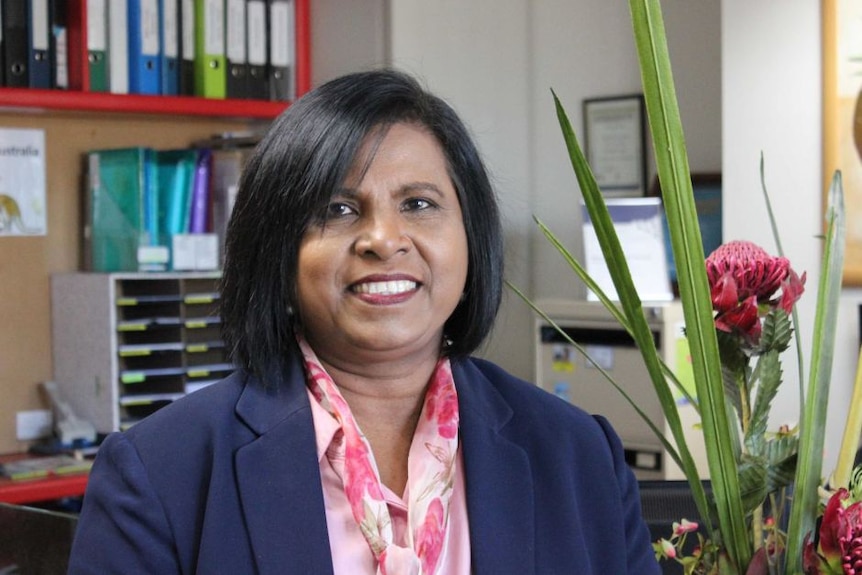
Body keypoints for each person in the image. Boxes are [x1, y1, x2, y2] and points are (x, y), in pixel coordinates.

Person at [67, 69, 660, 574]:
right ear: (276, 248)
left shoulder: (580, 457)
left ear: (470, 236)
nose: (383, 239)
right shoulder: (158, 474)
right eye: (339, 209)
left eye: (419, 204)